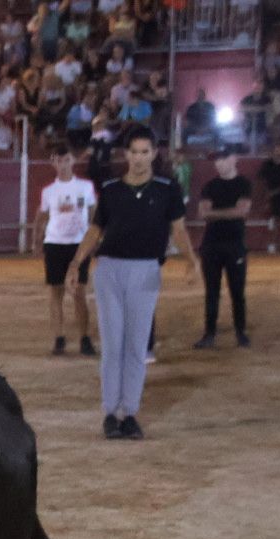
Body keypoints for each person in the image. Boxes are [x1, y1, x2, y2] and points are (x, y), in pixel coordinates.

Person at [70, 126, 199, 441]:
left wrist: (192, 259)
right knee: (113, 344)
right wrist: (77, 261)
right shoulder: (112, 189)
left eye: (145, 152)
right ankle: (110, 413)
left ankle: (130, 412)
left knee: (136, 345)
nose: (139, 158)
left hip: (146, 270)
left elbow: (179, 231)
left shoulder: (167, 189)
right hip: (110, 269)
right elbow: (95, 231)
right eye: (134, 152)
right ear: (125, 154)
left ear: (154, 154)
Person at [33, 142, 97, 357]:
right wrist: (37, 240)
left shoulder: (85, 187)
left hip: (79, 245)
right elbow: (41, 216)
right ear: (53, 163)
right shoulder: (48, 191)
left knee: (79, 292)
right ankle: (59, 337)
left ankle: (84, 337)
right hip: (55, 243)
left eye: (66, 160)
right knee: (56, 292)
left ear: (73, 160)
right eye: (59, 161)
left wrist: (94, 239)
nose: (63, 165)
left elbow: (94, 214)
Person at [195, 148, 253, 349]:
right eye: (216, 160)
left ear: (233, 159)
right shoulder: (211, 185)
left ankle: (240, 331)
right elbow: (204, 213)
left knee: (236, 291)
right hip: (214, 245)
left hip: (232, 244)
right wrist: (231, 212)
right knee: (213, 291)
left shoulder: (242, 184)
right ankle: (210, 333)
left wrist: (215, 212)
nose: (218, 163)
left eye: (222, 159)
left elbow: (242, 211)